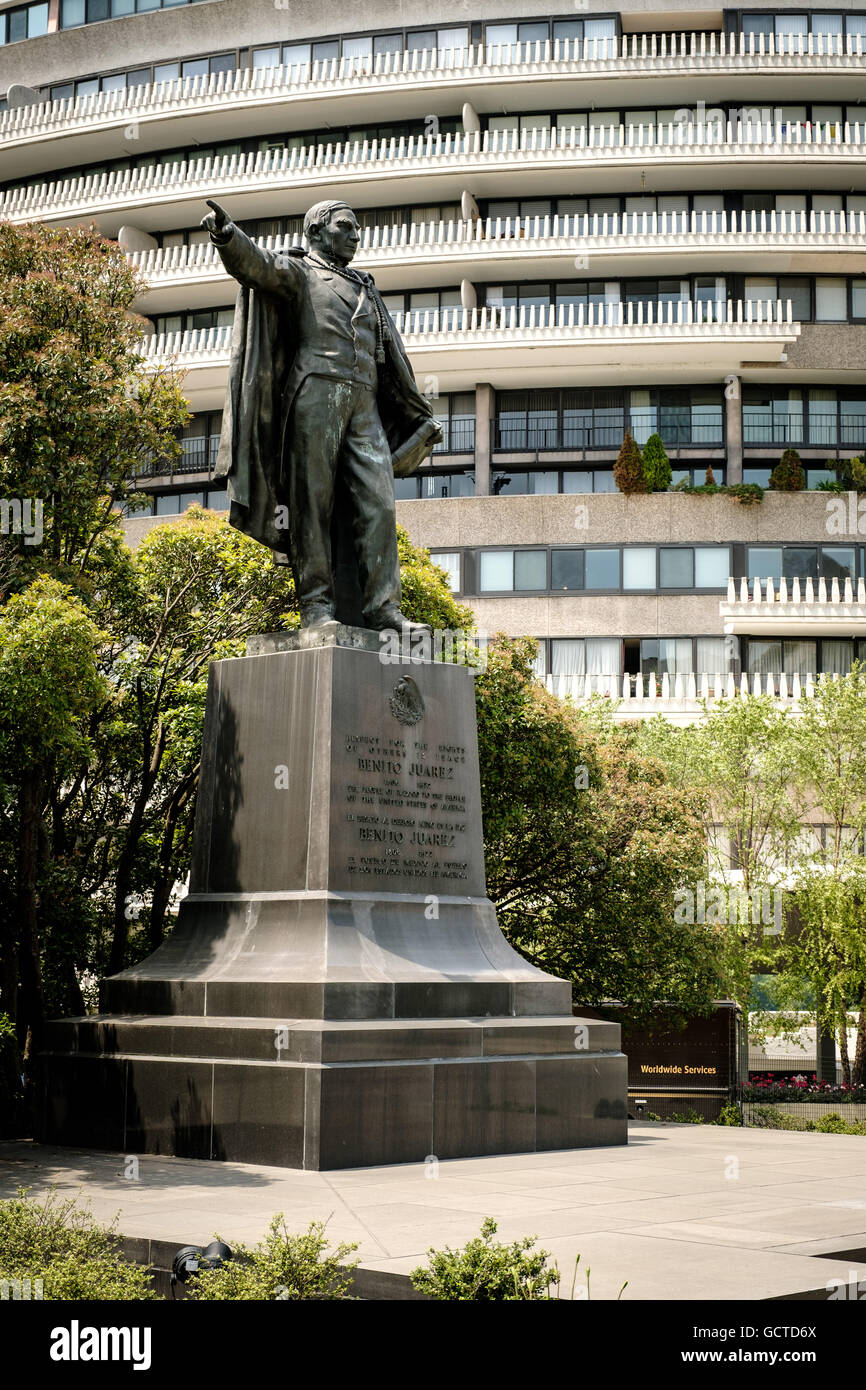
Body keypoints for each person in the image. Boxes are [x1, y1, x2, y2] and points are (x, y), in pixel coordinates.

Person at [200, 197, 441, 630]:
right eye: (345, 226)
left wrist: (412, 411)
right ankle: (316, 608)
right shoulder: (300, 271)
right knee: (312, 503)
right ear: (315, 232)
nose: (355, 235)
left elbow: (392, 359)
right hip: (314, 394)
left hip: (364, 403)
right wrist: (227, 235)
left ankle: (384, 609)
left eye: (356, 228)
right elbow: (259, 267)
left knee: (379, 505)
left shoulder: (365, 285)